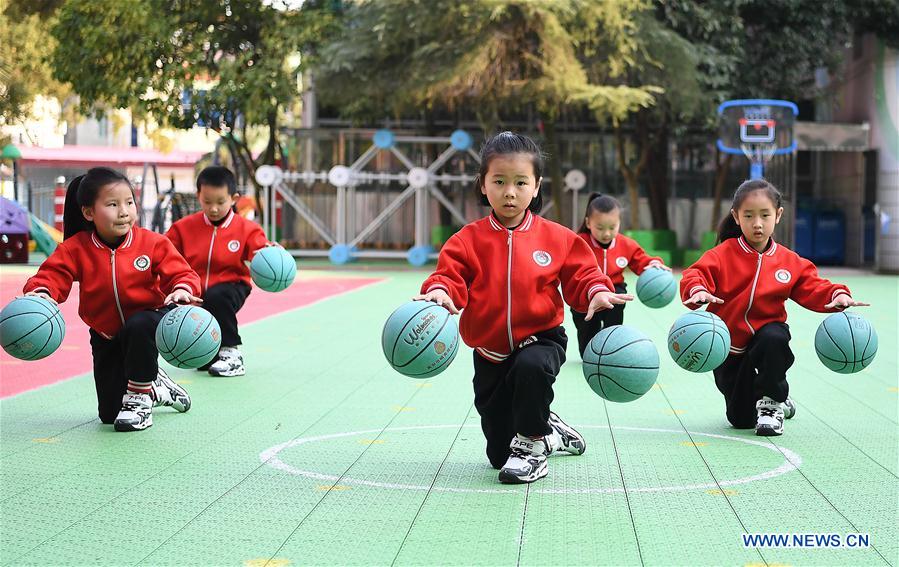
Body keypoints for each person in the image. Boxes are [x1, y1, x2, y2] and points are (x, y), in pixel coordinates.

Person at [416, 132, 632, 483]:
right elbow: (449, 276)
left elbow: (582, 274)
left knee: (531, 369)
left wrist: (595, 291)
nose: (510, 192)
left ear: (536, 186)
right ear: (483, 185)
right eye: (499, 181)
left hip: (542, 339)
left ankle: (534, 447)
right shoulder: (467, 240)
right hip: (490, 352)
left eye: (520, 182)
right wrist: (441, 294)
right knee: (498, 455)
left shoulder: (558, 237)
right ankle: (545, 426)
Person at [680, 179, 868, 436]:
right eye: (748, 216)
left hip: (766, 337)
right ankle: (777, 402)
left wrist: (837, 295)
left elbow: (813, 286)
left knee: (774, 336)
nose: (757, 223)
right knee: (741, 419)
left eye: (765, 215)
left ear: (778, 215)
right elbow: (695, 275)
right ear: (736, 216)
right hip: (728, 347)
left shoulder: (788, 261)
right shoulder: (722, 255)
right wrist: (698, 291)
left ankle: (772, 401)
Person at [23, 167, 201, 431]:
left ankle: (141, 397)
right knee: (109, 414)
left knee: (139, 324)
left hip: (149, 321)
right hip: (105, 333)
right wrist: (42, 292)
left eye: (129, 202)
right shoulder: (77, 248)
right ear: (88, 212)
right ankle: (156, 386)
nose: (124, 211)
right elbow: (52, 274)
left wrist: (182, 288)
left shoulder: (151, 243)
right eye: (112, 204)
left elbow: (182, 272)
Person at [166, 166, 269, 377]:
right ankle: (208, 353)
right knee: (204, 361)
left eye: (220, 202)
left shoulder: (247, 229)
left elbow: (260, 253)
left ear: (234, 198)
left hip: (232, 286)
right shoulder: (183, 228)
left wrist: (271, 254)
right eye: (207, 202)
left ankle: (231, 353)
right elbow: (163, 252)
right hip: (196, 293)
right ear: (198, 196)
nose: (213, 208)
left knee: (217, 296)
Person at [572, 192, 671, 356]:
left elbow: (640, 260)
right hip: (585, 293)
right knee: (587, 349)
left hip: (614, 289)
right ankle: (591, 350)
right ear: (588, 223)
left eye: (612, 228)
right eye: (600, 228)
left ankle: (612, 347)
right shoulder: (579, 242)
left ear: (619, 223)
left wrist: (652, 263)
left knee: (617, 307)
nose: (606, 233)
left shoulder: (626, 244)